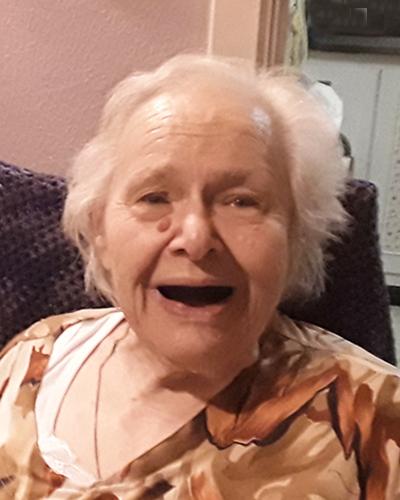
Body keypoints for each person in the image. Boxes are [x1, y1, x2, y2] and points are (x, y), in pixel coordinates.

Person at [0, 55, 399, 500]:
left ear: (297, 236)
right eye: (154, 197)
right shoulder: (33, 355)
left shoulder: (374, 416)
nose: (195, 239)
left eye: (241, 201)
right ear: (99, 230)